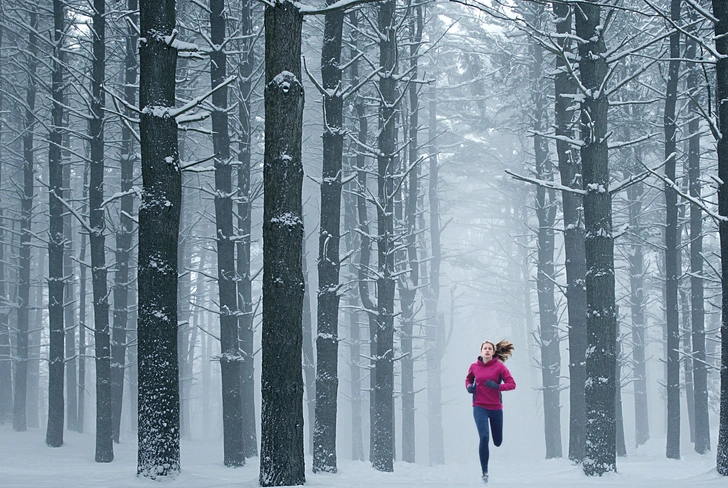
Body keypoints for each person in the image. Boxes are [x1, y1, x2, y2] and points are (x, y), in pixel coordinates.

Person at [465, 340, 515, 484]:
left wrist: (497, 386)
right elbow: (468, 380)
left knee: (497, 441)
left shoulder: (500, 367)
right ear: (481, 351)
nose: (487, 350)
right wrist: (469, 387)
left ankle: (496, 443)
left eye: (489, 349)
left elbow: (512, 384)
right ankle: (484, 472)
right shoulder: (474, 367)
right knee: (484, 437)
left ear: (493, 352)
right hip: (479, 406)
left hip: (495, 408)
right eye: (484, 348)